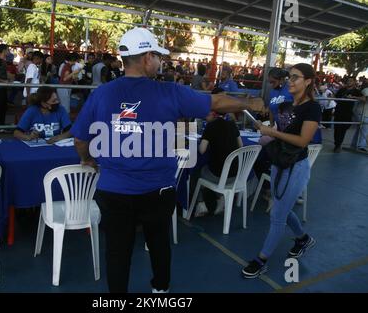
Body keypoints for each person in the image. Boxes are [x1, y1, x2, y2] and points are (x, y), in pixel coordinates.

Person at [70, 27, 264, 293]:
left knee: (117, 251)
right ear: (147, 57)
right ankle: (160, 290)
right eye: (158, 56)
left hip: (113, 190)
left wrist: (87, 159)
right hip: (158, 190)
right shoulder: (169, 92)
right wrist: (250, 104)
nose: (161, 62)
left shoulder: (101, 94)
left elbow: (79, 139)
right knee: (158, 243)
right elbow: (216, 102)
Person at [242, 63, 321, 279]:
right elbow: (278, 131)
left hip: (296, 166)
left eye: (296, 77)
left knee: (277, 216)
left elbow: (303, 140)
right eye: (290, 77)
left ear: (308, 81)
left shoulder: (312, 108)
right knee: (281, 209)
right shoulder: (286, 105)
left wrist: (272, 133)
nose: (291, 81)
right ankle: (303, 239)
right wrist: (263, 130)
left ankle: (261, 260)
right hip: (279, 162)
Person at [196, 88, 243, 215]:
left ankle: (202, 204)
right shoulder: (232, 124)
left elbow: (202, 150)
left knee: (199, 171)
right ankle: (221, 198)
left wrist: (204, 139)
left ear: (213, 112)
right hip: (236, 175)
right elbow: (241, 145)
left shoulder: (211, 126)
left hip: (219, 175)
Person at [333, 77, 364, 153]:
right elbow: (335, 97)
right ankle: (337, 145)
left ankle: (338, 144)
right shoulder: (342, 90)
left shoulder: (356, 91)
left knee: (343, 128)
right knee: (337, 129)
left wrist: (353, 97)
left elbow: (363, 98)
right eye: (348, 81)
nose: (349, 82)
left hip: (347, 113)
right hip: (338, 111)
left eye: (351, 81)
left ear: (354, 82)